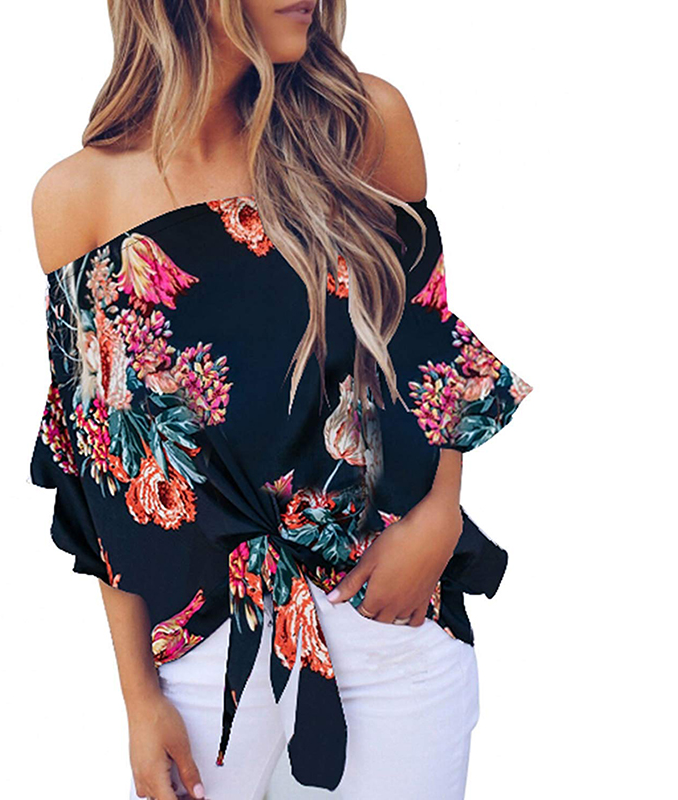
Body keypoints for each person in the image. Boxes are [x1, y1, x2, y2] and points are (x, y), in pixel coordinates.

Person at [28, 2, 532, 799]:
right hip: (204, 658)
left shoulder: (362, 124)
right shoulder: (79, 197)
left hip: (393, 622)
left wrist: (440, 515)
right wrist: (139, 699)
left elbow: (426, 344)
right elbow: (104, 480)